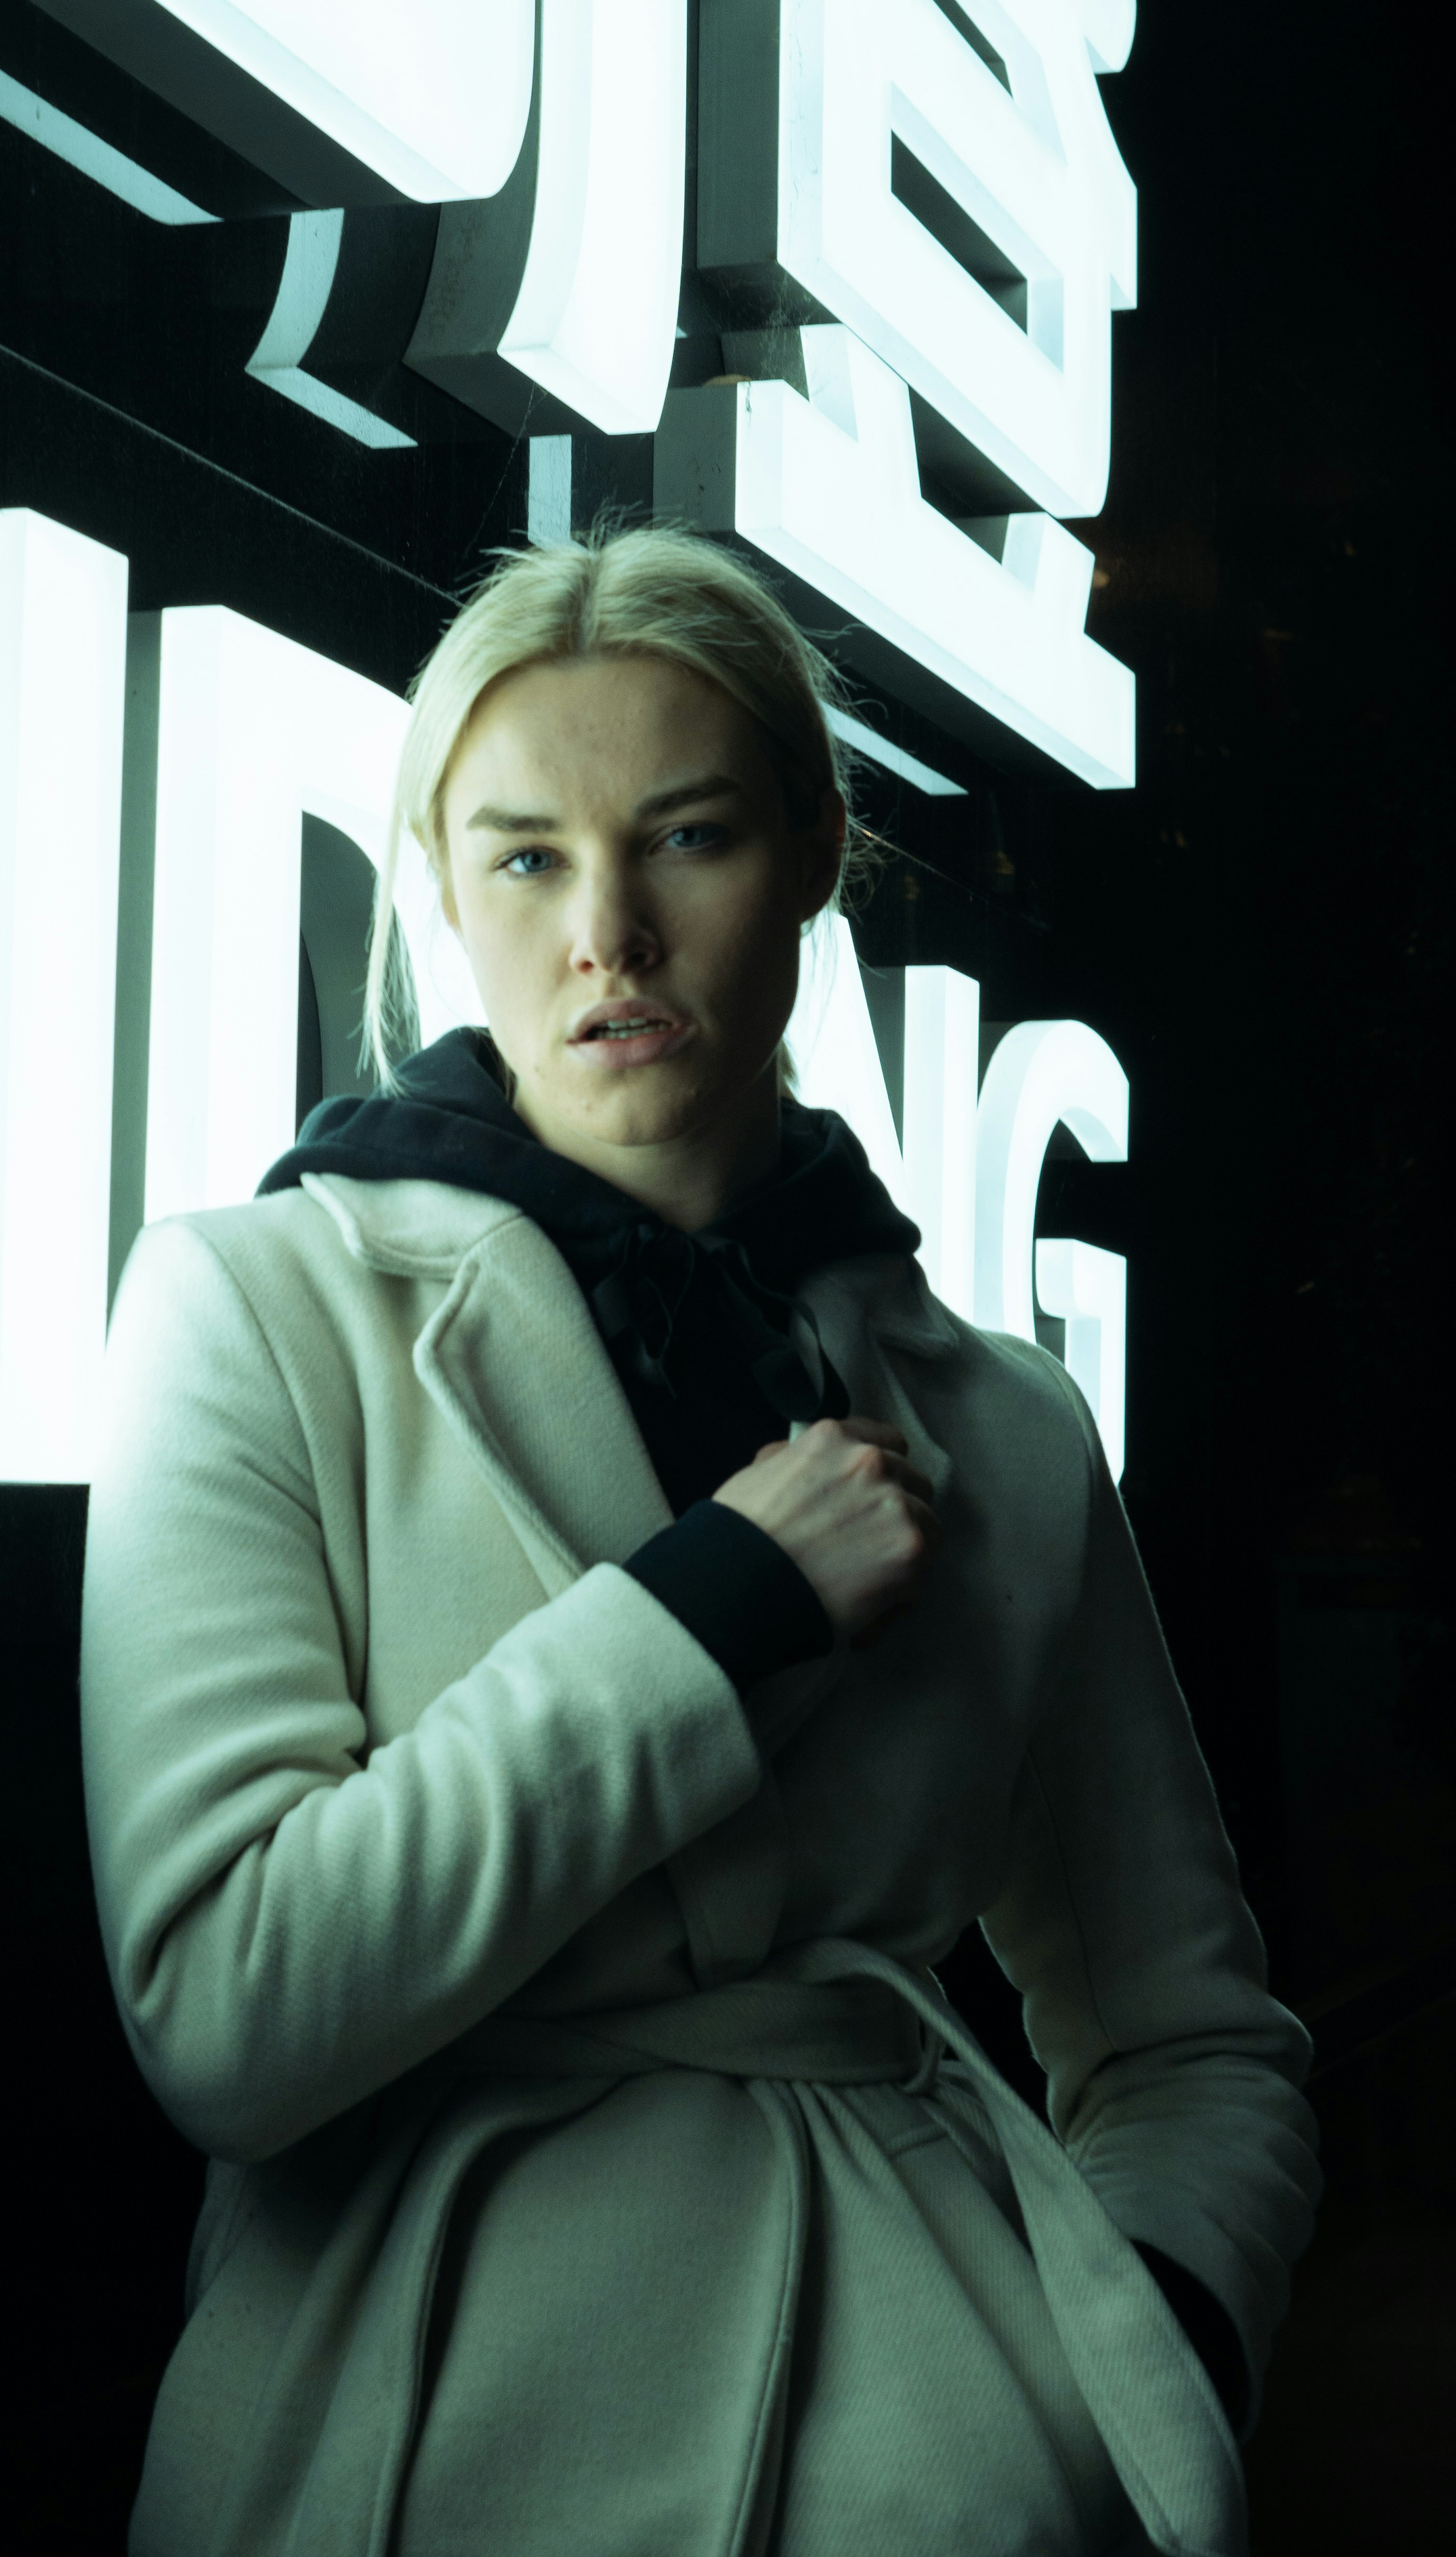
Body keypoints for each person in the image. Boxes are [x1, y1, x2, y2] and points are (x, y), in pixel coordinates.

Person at [80, 525, 1321, 2557]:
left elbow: (1183, 2027)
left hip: (941, 2437)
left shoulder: (1002, 1417)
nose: (608, 936)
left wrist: (1143, 2341)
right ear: (439, 883)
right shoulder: (251, 1305)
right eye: (524, 856)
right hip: (405, 2405)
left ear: (818, 849)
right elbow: (227, 2010)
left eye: (685, 836)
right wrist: (706, 1610)